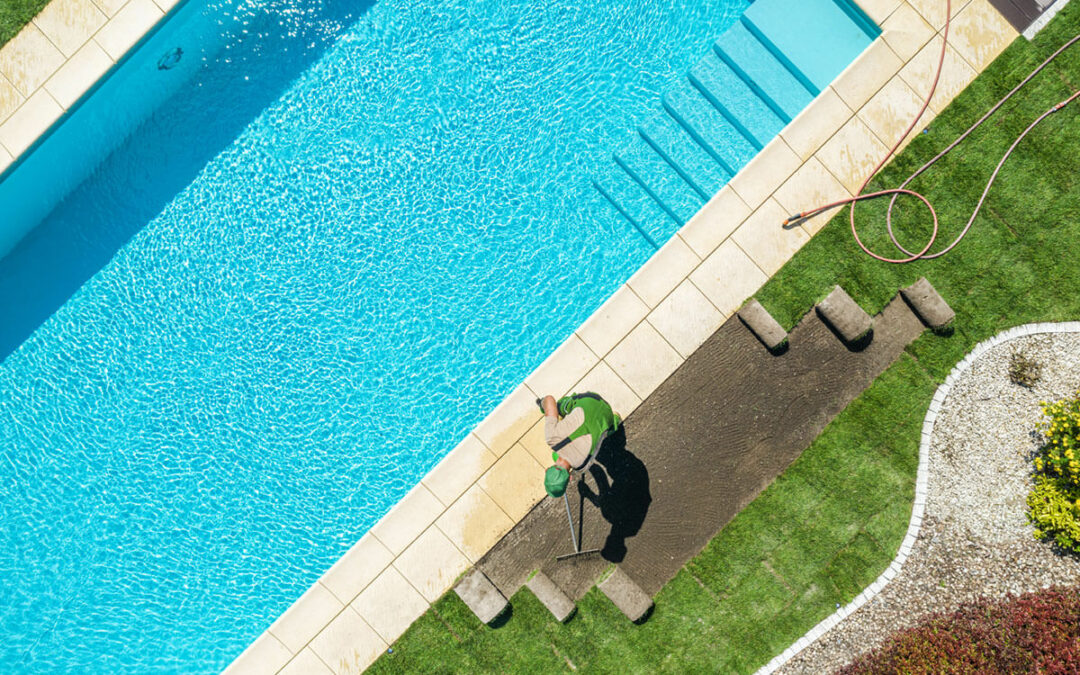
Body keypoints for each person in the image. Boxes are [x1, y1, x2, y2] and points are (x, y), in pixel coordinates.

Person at [539, 392, 620, 499]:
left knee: (601, 434)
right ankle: (565, 404)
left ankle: (615, 421)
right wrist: (542, 404)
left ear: (570, 478)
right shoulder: (551, 437)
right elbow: (549, 399)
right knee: (559, 406)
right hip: (592, 398)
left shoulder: (583, 465)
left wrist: (588, 494)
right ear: (547, 469)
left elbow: (598, 472)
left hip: (607, 413)